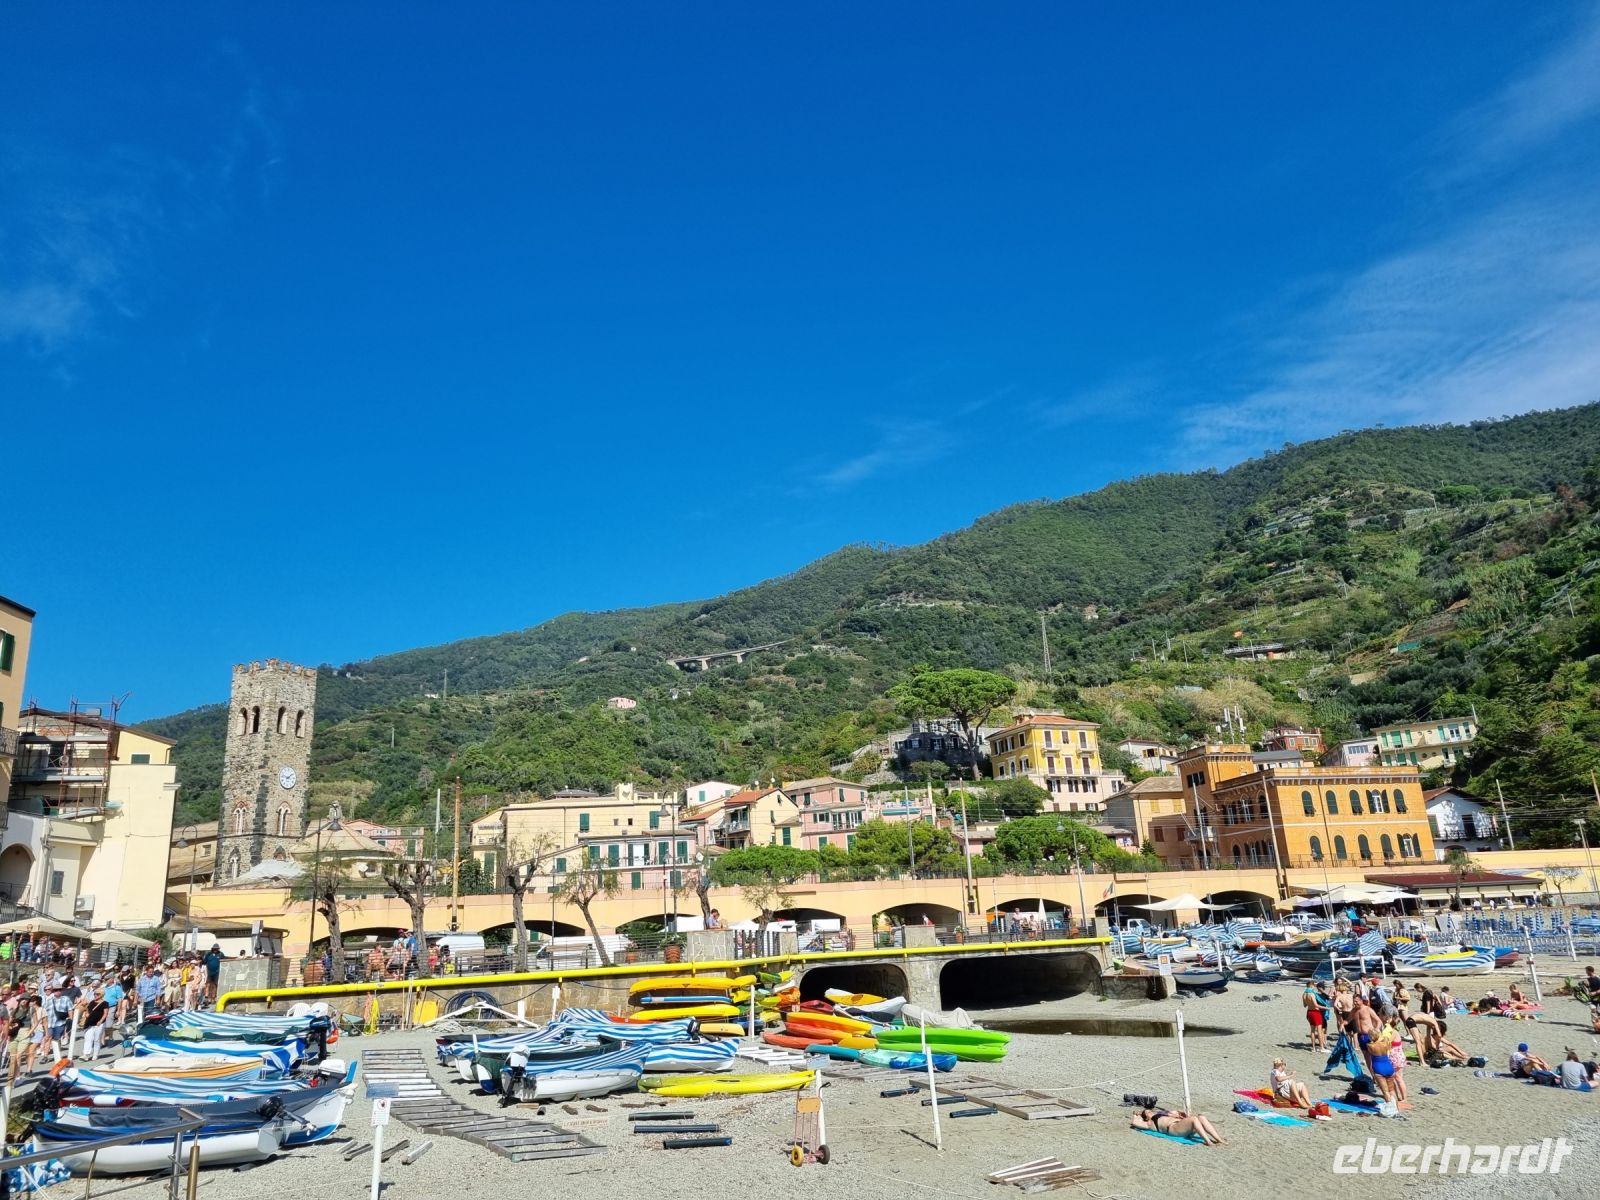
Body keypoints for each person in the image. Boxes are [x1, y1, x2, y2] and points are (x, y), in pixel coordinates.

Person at [1130, 1106, 1225, 1145]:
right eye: (1148, 1113)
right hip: (1173, 1129)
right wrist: (1136, 1114)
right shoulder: (1149, 1123)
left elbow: (1175, 1112)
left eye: (1150, 1111)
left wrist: (1179, 1114)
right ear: (1146, 1117)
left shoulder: (1162, 1113)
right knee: (1194, 1119)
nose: (1150, 1112)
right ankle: (1208, 1142)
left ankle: (1219, 1139)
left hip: (1181, 1126)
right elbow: (1134, 1123)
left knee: (1201, 1117)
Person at [79, 986, 109, 1062]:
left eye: (98, 994)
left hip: (99, 1023)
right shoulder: (92, 1002)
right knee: (88, 1038)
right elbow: (87, 1009)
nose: (96, 995)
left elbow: (105, 1014)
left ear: (102, 995)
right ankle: (86, 1054)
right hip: (90, 1022)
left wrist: (101, 1021)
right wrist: (86, 1014)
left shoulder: (105, 1003)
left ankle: (95, 1054)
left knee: (96, 1039)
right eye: (95, 994)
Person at [1302, 981, 1328, 1050]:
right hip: (1315, 1012)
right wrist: (1326, 1007)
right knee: (1319, 1030)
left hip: (1309, 1012)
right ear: (1311, 985)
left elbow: (1305, 1005)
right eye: (1314, 986)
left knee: (1312, 1030)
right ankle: (1322, 1048)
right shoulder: (1312, 994)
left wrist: (1309, 1003)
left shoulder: (1304, 994)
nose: (1314, 987)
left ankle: (1313, 1048)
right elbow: (1316, 1005)